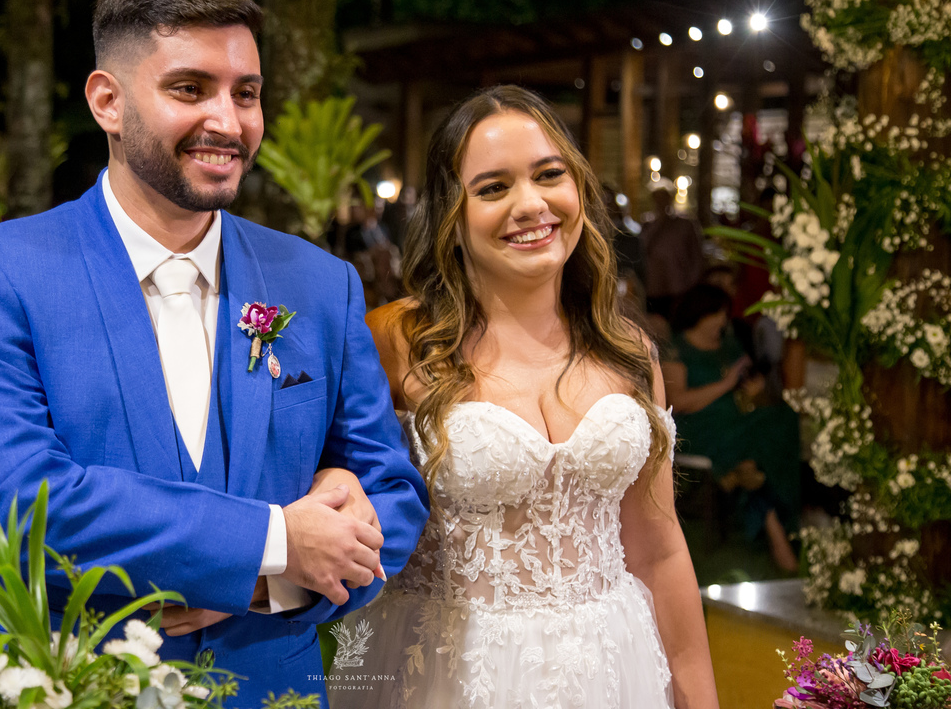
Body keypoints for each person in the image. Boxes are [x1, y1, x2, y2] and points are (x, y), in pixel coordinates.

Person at [0, 0, 428, 706]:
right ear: (108, 101)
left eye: (246, 93)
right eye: (190, 89)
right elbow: (17, 503)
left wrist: (274, 587)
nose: (228, 121)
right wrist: (274, 544)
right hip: (71, 682)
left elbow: (392, 494)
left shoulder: (321, 284)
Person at [329, 86, 718, 708]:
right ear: (451, 215)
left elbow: (659, 548)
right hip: (447, 675)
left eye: (549, 175)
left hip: (613, 670)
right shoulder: (397, 342)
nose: (531, 204)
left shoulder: (629, 351)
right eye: (493, 188)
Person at [662, 283, 801, 572]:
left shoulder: (729, 345)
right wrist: (725, 384)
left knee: (783, 418)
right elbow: (679, 402)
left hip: (738, 419)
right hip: (700, 426)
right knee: (752, 445)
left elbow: (746, 386)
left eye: (725, 315)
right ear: (700, 314)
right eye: (717, 314)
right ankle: (776, 526)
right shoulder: (677, 349)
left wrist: (754, 389)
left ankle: (748, 483)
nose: (723, 322)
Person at [640, 187, 705, 320]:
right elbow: (642, 251)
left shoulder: (684, 225)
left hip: (679, 287)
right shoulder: (648, 224)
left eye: (663, 198)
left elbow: (696, 256)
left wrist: (691, 283)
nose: (660, 202)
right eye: (657, 198)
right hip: (653, 287)